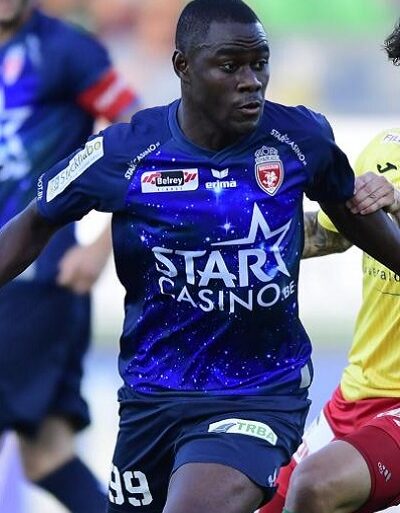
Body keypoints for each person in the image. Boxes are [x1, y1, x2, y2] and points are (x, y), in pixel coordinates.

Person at [1, 1, 400, 512]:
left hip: (259, 394)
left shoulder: (301, 140)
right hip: (152, 397)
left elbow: (348, 213)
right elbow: (36, 221)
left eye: (259, 64)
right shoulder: (125, 153)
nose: (251, 81)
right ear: (183, 66)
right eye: (230, 66)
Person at [0, 0, 140, 512]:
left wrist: (101, 245)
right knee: (47, 455)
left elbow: (139, 136)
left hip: (34, 280)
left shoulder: (66, 50)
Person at [259, 19, 400, 513]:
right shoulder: (386, 150)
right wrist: (229, 232)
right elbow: (329, 234)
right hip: (358, 395)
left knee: (318, 486)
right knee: (267, 503)